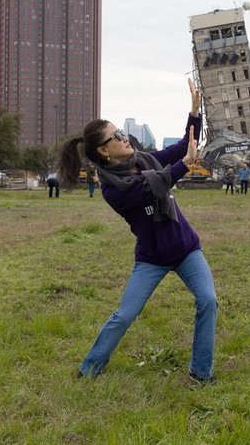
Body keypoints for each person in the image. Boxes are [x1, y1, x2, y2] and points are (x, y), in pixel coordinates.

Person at [57, 78, 217, 384]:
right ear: (103, 152)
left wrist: (195, 112)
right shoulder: (113, 190)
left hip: (185, 248)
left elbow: (183, 147)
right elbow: (152, 186)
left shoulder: (145, 159)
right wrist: (184, 165)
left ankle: (201, 373)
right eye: (116, 135)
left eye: (121, 131)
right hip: (152, 258)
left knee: (208, 300)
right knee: (125, 314)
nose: (124, 136)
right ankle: (90, 369)